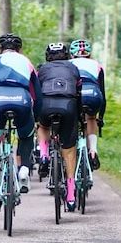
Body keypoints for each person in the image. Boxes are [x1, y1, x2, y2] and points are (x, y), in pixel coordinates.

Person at [0, 33, 40, 209]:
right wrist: (36, 119)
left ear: (0, 48)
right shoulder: (27, 62)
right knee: (26, 135)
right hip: (21, 101)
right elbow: (37, 94)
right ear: (19, 49)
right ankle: (23, 169)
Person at [35, 43, 83, 211]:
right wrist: (79, 118)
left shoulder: (42, 70)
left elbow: (35, 92)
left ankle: (43, 155)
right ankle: (70, 196)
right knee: (69, 150)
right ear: (66, 55)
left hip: (46, 104)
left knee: (42, 126)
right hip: (68, 105)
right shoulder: (73, 68)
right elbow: (79, 93)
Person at [70, 38, 105, 169]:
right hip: (93, 94)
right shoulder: (97, 65)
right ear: (89, 54)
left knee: (71, 119)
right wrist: (100, 118)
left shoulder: (69, 64)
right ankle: (93, 151)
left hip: (75, 95)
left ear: (72, 54)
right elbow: (103, 93)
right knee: (91, 118)